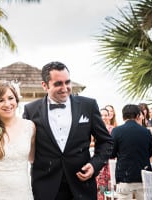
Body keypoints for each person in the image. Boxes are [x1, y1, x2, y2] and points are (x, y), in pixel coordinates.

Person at [22, 61, 113, 200]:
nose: (65, 88)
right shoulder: (31, 110)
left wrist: (94, 165)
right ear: (44, 85)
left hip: (82, 185)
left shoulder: (88, 105)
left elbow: (106, 141)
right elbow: (22, 147)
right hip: (46, 187)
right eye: (58, 84)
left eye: (67, 82)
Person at [0, 80, 36, 199]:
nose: (7, 104)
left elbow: (33, 158)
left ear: (16, 100)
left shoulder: (30, 127)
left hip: (21, 193)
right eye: (1, 100)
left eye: (10, 98)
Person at [111, 104, 152, 199]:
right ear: (138, 116)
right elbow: (150, 152)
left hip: (124, 175)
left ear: (123, 117)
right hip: (143, 175)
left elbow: (112, 153)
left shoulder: (116, 131)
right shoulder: (146, 131)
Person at [96, 108, 114, 200]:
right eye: (101, 115)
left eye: (106, 115)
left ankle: (108, 197)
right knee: (101, 184)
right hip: (99, 160)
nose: (103, 117)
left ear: (109, 116)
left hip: (110, 160)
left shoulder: (113, 129)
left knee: (110, 184)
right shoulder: (95, 128)